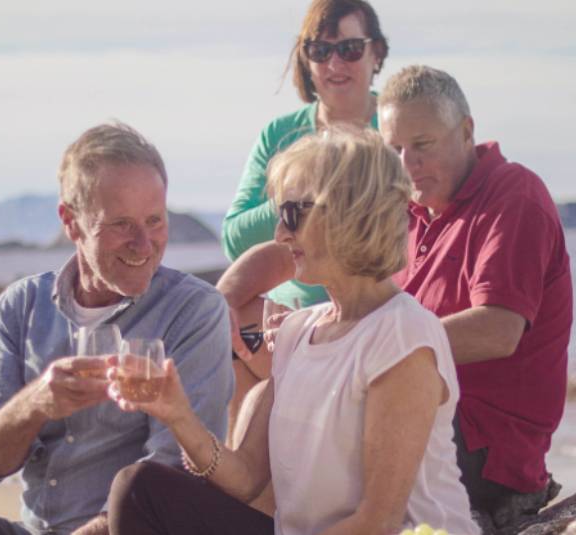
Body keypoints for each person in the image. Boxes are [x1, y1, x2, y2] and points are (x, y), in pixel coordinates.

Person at [219, 66, 573, 531]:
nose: (407, 164)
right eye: (394, 149)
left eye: (422, 145)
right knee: (253, 354)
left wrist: (356, 353)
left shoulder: (513, 195)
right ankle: (264, 511)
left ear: (466, 132)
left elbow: (499, 329)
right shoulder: (407, 202)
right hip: (393, 400)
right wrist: (223, 303)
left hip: (482, 441)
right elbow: (286, 249)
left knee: (294, 384)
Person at [106, 127, 480, 535]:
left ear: (349, 212)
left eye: (292, 215)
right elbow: (246, 477)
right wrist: (176, 414)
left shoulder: (403, 335)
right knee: (140, 488)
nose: (281, 234)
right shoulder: (298, 331)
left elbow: (378, 521)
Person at [0, 122, 233, 535]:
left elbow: (166, 483)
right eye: (121, 225)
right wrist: (36, 403)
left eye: (155, 221)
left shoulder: (194, 312)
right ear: (71, 221)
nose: (144, 245)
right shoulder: (22, 305)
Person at [219, 0, 390, 434]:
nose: (335, 63)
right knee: (228, 327)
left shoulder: (398, 126)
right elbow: (235, 238)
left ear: (377, 55)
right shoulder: (281, 135)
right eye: (319, 50)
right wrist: (300, 196)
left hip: (368, 311)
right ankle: (243, 484)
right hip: (288, 315)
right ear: (305, 58)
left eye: (350, 49)